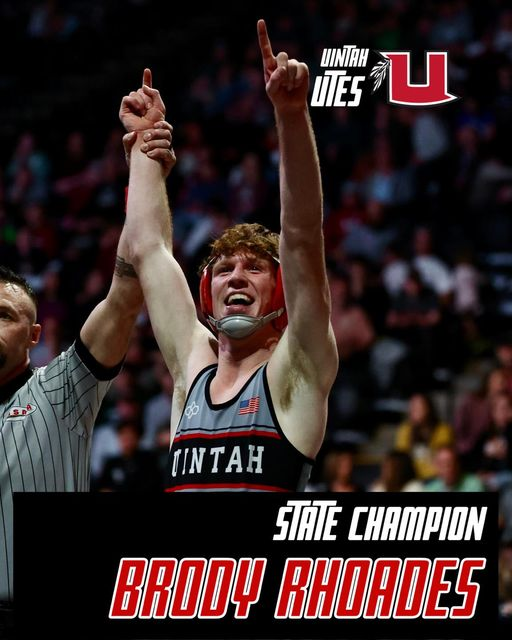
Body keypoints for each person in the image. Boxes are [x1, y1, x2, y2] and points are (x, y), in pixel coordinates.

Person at [121, 20, 338, 492]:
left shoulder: (296, 368)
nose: (236, 277)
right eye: (224, 270)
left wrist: (291, 114)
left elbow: (301, 235)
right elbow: (148, 249)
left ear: (279, 292)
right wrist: (143, 149)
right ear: (207, 293)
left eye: (254, 268)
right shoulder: (191, 371)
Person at [0, 107, 173, 630]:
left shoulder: (60, 389)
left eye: (4, 315)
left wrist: (144, 166)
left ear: (34, 336)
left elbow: (128, 287)